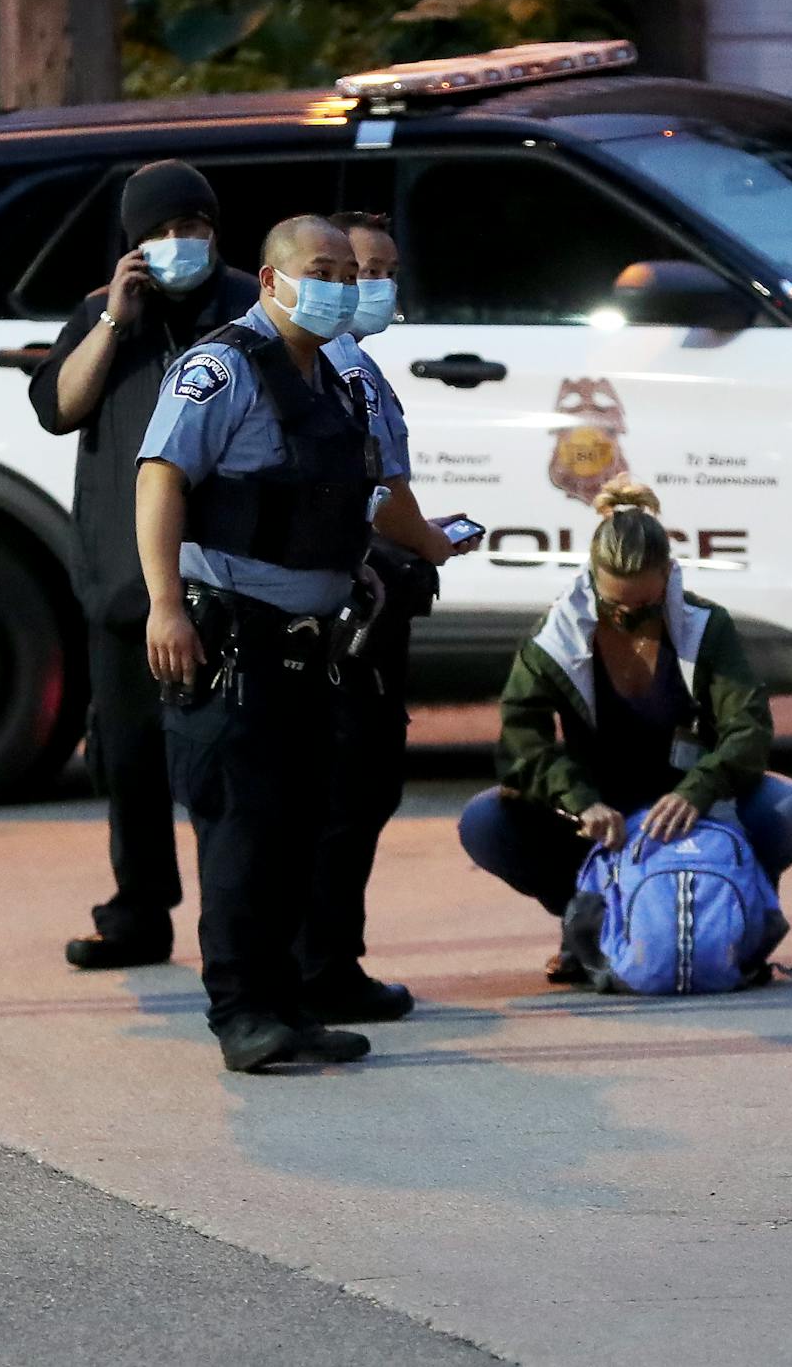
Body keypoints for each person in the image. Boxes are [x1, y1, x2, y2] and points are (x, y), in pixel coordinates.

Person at [136, 213, 380, 1072]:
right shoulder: (220, 367)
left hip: (311, 648)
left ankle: (287, 1004)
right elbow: (161, 477)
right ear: (272, 280)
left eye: (349, 272)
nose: (342, 286)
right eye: (323, 269)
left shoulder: (335, 380)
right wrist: (165, 603)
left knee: (297, 828)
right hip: (233, 638)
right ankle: (241, 1013)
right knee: (241, 833)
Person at [30, 160, 259, 972]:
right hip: (124, 579)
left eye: (190, 228)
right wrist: (114, 321)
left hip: (228, 580)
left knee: (224, 766)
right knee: (127, 757)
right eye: (159, 233)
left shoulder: (250, 310)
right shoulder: (103, 315)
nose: (176, 244)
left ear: (214, 230)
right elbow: (58, 407)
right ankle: (138, 912)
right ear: (132, 245)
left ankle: (237, 930)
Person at [458, 479, 792, 978]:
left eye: (645, 607)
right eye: (614, 606)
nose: (629, 617)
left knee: (790, 808)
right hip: (600, 818)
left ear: (669, 577)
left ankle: (739, 926)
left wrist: (698, 792)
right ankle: (585, 920)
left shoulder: (705, 627)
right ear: (592, 579)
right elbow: (521, 744)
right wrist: (579, 801)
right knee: (485, 822)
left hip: (692, 814)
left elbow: (749, 730)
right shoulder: (554, 641)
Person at [290, 210, 480, 1024]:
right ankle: (325, 967)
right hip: (347, 618)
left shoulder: (323, 362)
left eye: (383, 270)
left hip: (334, 607)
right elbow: (385, 495)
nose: (374, 287)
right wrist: (432, 544)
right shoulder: (339, 371)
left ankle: (318, 960)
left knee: (342, 794)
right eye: (356, 270)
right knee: (350, 791)